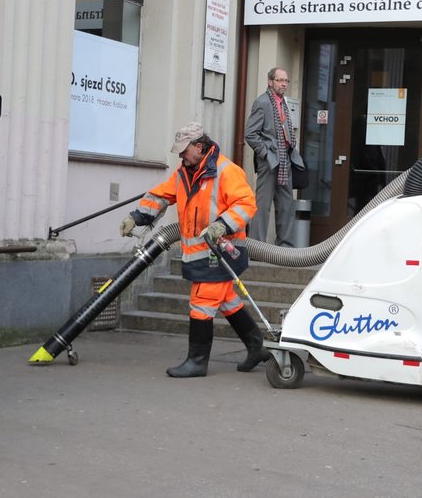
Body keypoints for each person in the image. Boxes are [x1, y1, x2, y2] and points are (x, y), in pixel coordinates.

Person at [119, 122, 268, 377]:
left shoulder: (226, 171)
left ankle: (197, 361)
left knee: (201, 302)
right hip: (202, 253)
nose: (180, 155)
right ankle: (256, 346)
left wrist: (221, 226)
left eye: (184, 150)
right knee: (226, 300)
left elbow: (246, 204)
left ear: (199, 147)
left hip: (221, 251)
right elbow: (161, 196)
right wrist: (137, 217)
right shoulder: (184, 173)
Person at [244, 67, 305, 246]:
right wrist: (265, 154)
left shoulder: (282, 102)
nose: (284, 84)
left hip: (285, 159)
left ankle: (285, 246)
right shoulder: (262, 102)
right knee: (262, 206)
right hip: (269, 161)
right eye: (280, 80)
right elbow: (250, 134)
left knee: (286, 204)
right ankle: (257, 247)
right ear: (270, 82)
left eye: (286, 81)